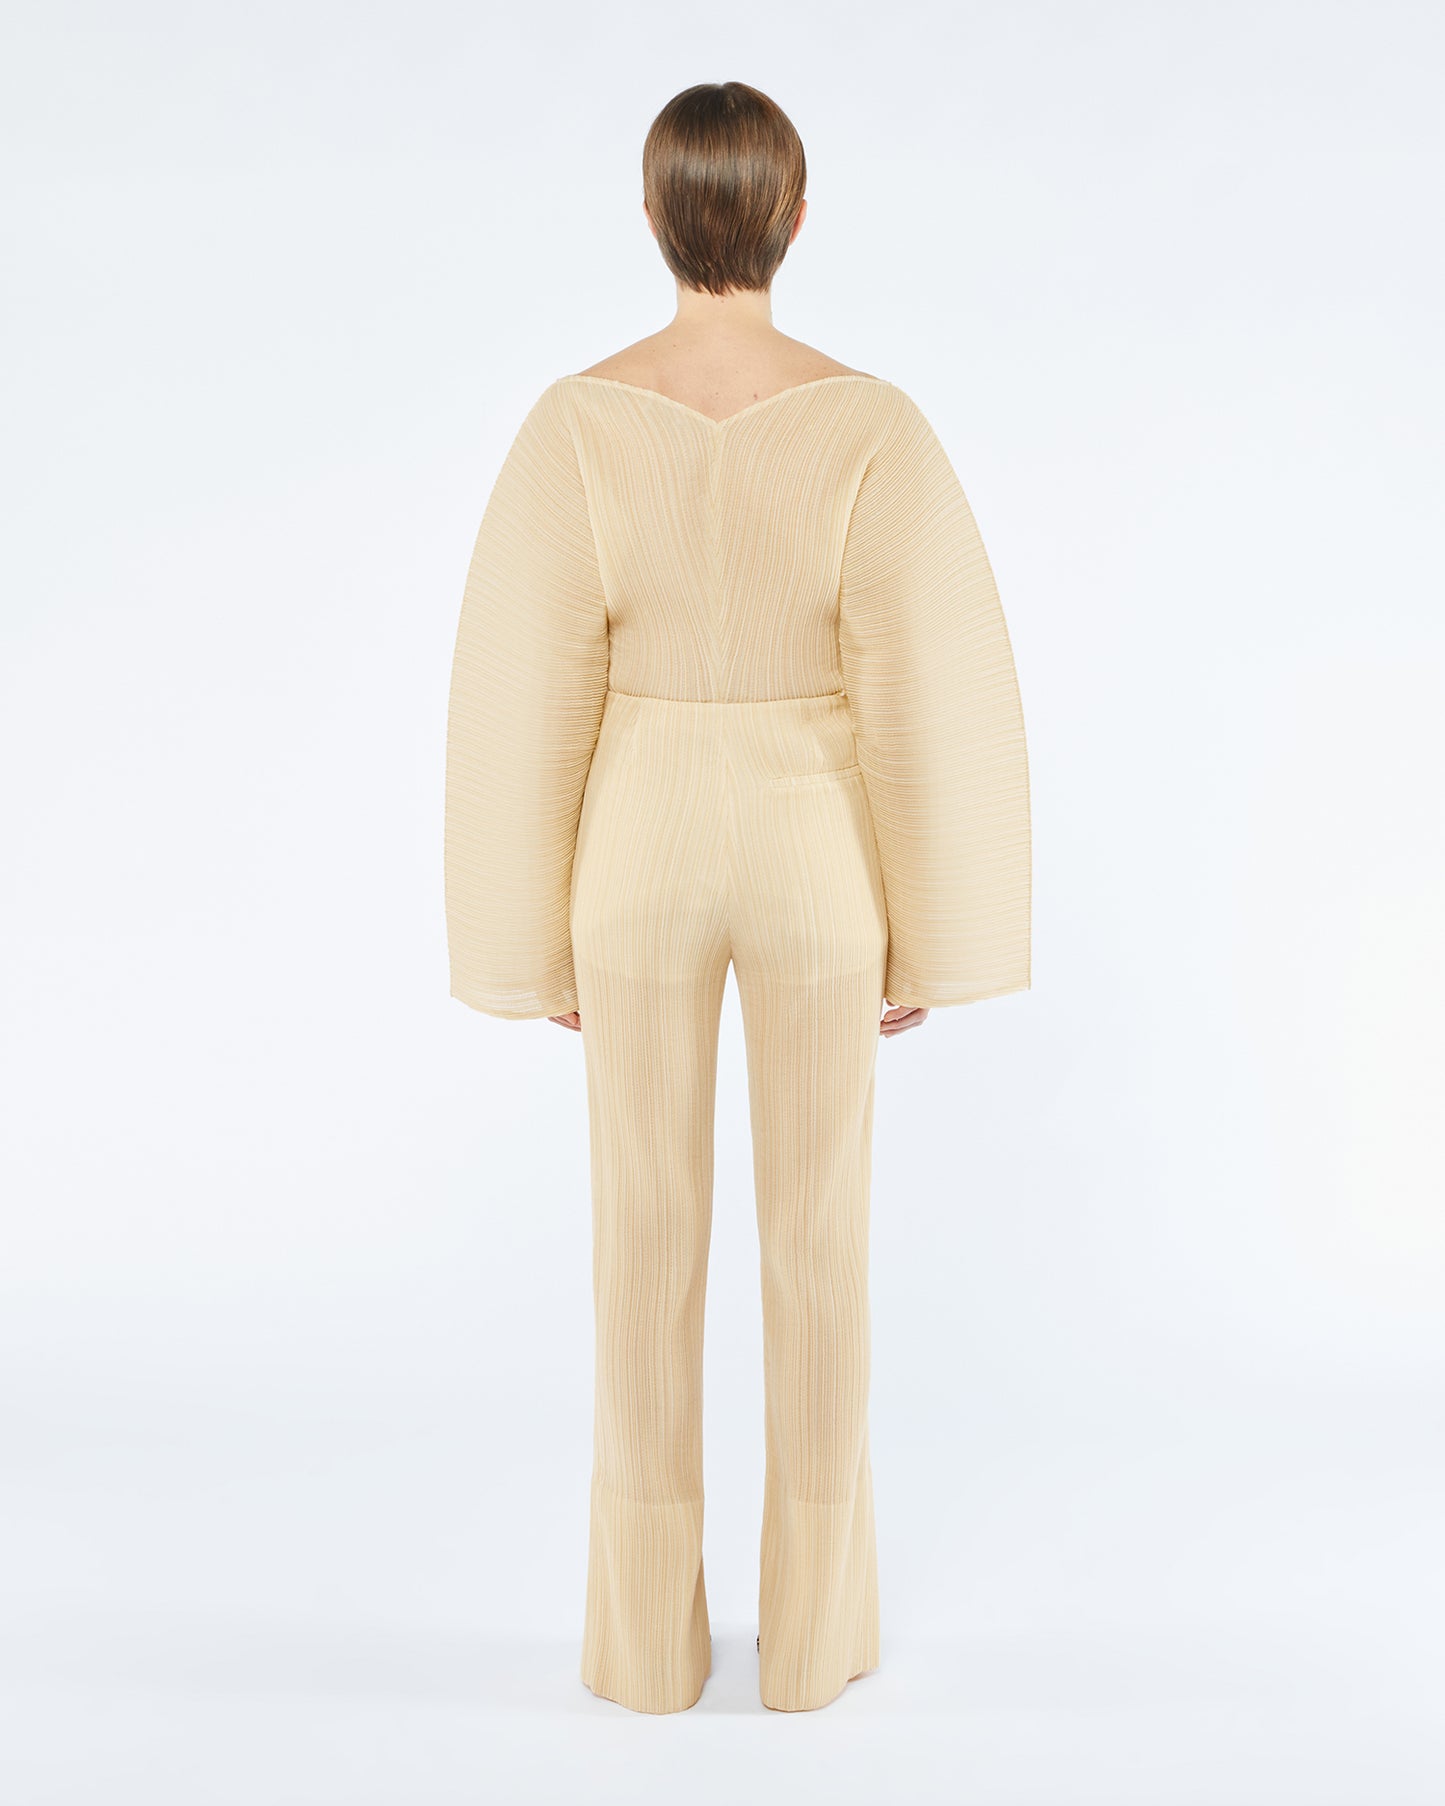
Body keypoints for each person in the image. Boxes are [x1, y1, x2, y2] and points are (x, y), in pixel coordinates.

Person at [444, 79, 1031, 1715]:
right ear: (793, 217)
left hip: (633, 842)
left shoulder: (577, 423)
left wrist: (527, 931)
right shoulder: (869, 425)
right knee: (816, 1237)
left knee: (640, 1236)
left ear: (651, 218)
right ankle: (815, 1636)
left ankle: (642, 1645)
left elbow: (526, 685)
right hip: (811, 843)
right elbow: (920, 683)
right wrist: (932, 927)